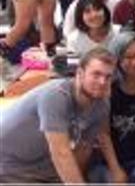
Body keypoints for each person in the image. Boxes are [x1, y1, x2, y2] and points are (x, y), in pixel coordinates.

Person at [0, 48, 116, 183]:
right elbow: (61, 153)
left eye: (108, 77)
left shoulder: (101, 104)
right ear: (79, 73)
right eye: (96, 74)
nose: (102, 82)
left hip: (45, 168)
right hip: (10, 167)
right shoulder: (56, 95)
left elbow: (83, 150)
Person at [88, 32, 135, 183]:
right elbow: (103, 134)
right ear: (116, 59)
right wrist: (115, 169)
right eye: (127, 57)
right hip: (111, 158)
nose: (134, 62)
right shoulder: (107, 87)